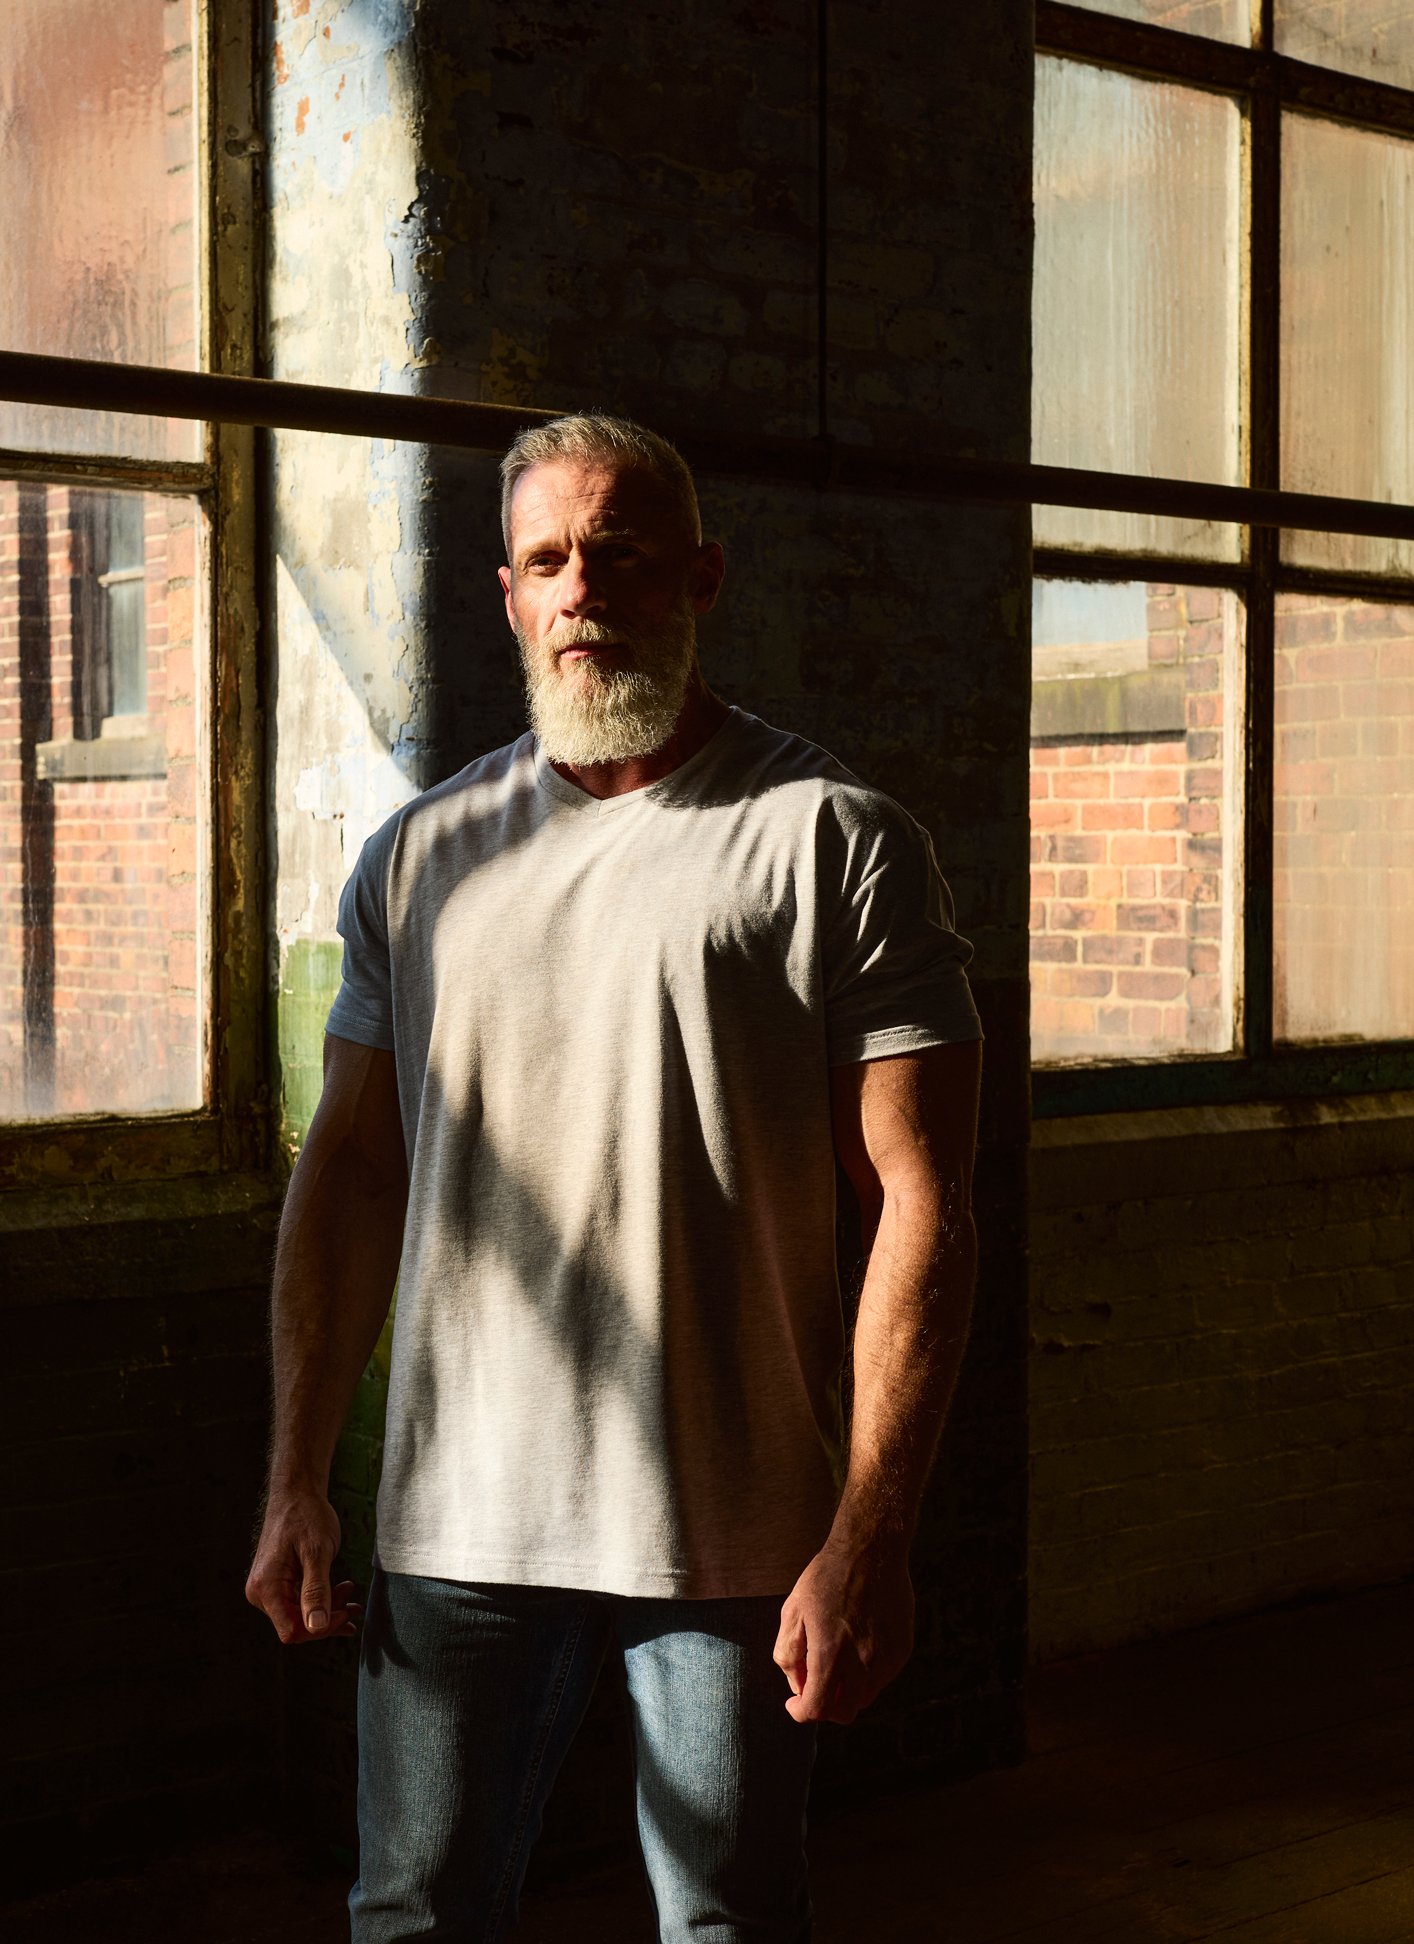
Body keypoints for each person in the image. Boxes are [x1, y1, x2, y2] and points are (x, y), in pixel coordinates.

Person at [245, 412, 984, 1943]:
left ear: (699, 578)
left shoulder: (833, 841)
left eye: (620, 552)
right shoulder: (420, 857)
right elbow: (353, 1168)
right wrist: (296, 1477)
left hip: (732, 1537)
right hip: (458, 1524)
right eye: (545, 559)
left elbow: (922, 1204)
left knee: (726, 1924)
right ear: (509, 599)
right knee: (415, 1919)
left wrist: (871, 1536)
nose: (581, 586)